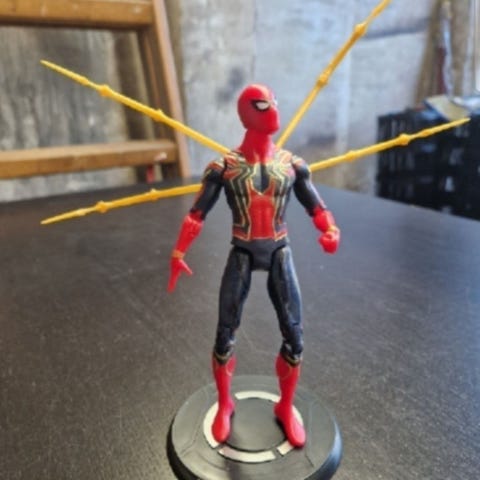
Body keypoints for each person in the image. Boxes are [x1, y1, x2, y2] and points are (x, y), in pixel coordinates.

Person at [168, 84, 340, 448]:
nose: (273, 110)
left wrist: (330, 229)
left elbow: (317, 207)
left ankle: (285, 406)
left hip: (279, 251)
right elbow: (196, 214)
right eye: (263, 105)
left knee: (294, 336)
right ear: (246, 113)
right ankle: (225, 403)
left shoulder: (292, 165)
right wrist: (179, 253)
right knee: (224, 334)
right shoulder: (224, 167)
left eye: (274, 102)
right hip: (243, 251)